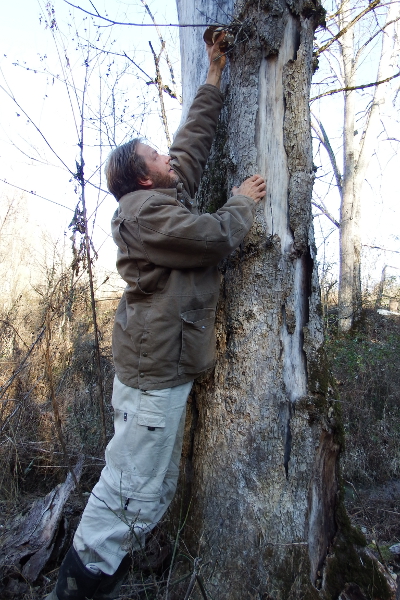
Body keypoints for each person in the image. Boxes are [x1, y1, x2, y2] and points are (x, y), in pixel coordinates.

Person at [46, 33, 266, 600]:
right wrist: (241, 200)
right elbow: (213, 235)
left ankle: (99, 580)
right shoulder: (143, 214)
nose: (169, 159)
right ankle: (74, 589)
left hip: (161, 371)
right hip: (152, 380)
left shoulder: (158, 194)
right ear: (143, 178)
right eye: (156, 158)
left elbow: (189, 149)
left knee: (149, 488)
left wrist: (214, 76)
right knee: (127, 492)